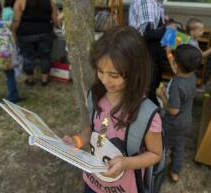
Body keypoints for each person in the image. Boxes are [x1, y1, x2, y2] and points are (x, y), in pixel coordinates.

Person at [62, 26, 163, 193]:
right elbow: (94, 131)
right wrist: (78, 141)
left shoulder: (146, 115)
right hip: (92, 181)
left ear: (135, 72)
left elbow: (155, 154)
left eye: (114, 75)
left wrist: (126, 163)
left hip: (123, 188)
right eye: (100, 71)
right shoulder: (95, 96)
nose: (105, 80)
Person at [156, 44, 202, 183]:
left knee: (163, 145)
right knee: (179, 146)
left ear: (177, 64)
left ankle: (158, 168)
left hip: (172, 123)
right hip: (186, 121)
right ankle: (175, 171)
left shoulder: (176, 84)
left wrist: (162, 94)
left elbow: (173, 110)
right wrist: (169, 55)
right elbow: (177, 70)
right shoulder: (192, 75)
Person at [129, 0, 172, 105]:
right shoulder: (146, 2)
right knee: (149, 83)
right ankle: (149, 112)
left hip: (149, 48)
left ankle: (151, 109)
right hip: (144, 49)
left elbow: (154, 23)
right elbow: (146, 34)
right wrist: (168, 30)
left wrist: (164, 23)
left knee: (152, 80)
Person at [11, 0, 59, 87]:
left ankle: (30, 80)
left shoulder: (20, 0)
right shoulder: (49, 1)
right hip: (45, 32)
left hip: (25, 33)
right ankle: (44, 80)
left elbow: (16, 20)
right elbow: (55, 21)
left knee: (28, 56)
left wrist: (13, 33)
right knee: (45, 56)